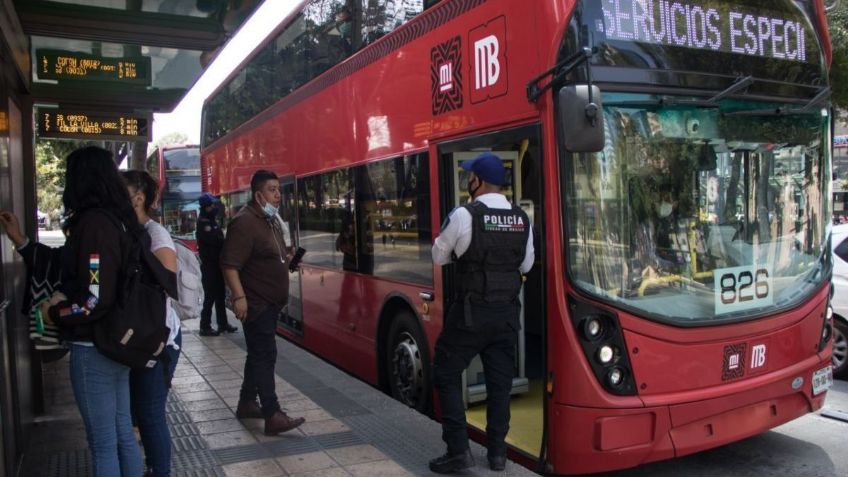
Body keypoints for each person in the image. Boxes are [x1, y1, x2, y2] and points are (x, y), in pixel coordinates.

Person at [40, 146, 143, 476]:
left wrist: (55, 313)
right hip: (116, 342)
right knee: (121, 433)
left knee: (102, 443)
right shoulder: (117, 221)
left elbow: (93, 300)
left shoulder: (94, 226)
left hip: (95, 347)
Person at [429, 152, 534, 473]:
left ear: (479, 181)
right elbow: (526, 264)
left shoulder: (464, 215)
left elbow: (439, 256)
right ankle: (497, 454)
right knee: (500, 383)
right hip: (506, 317)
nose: (467, 180)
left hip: (470, 315)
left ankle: (459, 451)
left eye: (469, 175)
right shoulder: (521, 218)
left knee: (446, 373)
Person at [221, 169, 305, 435]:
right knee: (265, 354)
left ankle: (247, 402)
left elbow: (271, 257)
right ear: (258, 195)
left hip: (269, 304)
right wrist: (239, 297)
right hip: (256, 304)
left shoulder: (269, 220)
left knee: (258, 354)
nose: (278, 195)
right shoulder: (244, 222)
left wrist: (289, 261)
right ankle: (272, 413)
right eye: (272, 190)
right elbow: (229, 265)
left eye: (279, 189)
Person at [121, 170, 182, 477]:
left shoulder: (154, 234)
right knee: (139, 413)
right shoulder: (126, 229)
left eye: (121, 191)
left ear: (139, 197)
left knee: (150, 414)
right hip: (139, 336)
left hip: (157, 337)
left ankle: (159, 471)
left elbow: (167, 281)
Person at [0, 211, 66, 355]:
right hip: (95, 343)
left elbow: (92, 300)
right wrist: (19, 239)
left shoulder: (96, 252)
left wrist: (55, 312)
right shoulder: (93, 254)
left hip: (103, 343)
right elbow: (92, 299)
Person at [197, 192, 238, 336]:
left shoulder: (212, 220)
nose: (215, 207)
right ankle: (205, 326)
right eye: (212, 205)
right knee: (210, 297)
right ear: (206, 207)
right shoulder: (204, 222)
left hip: (217, 265)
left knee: (220, 295)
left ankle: (223, 323)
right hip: (210, 266)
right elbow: (216, 241)